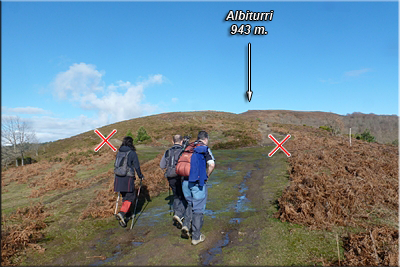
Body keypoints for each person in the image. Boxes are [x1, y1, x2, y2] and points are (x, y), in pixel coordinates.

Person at [181, 131, 215, 245]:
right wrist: (207, 175)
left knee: (190, 203)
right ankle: (196, 237)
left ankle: (186, 225)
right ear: (205, 139)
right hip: (197, 182)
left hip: (185, 182)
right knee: (198, 208)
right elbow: (211, 164)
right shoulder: (204, 148)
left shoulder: (189, 147)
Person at [114, 136, 144, 228]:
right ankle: (122, 213)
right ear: (131, 143)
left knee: (125, 196)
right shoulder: (132, 153)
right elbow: (137, 166)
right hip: (128, 177)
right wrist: (140, 175)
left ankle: (128, 215)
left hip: (118, 177)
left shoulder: (119, 152)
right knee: (130, 196)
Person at [160, 135, 187, 229]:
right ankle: (179, 215)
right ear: (182, 141)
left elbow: (162, 165)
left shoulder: (167, 152)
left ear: (172, 141)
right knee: (183, 196)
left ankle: (176, 214)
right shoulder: (183, 151)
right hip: (180, 176)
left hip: (170, 176)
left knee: (176, 195)